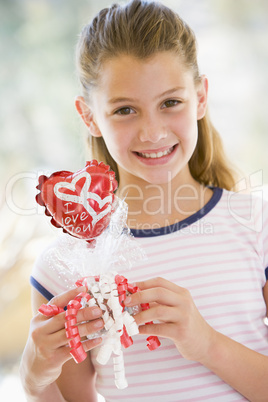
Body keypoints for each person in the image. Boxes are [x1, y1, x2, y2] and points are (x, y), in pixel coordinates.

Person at [20, 0, 268, 400]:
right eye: (124, 110)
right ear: (89, 117)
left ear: (201, 96)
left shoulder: (257, 225)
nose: (152, 132)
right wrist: (34, 377)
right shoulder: (64, 266)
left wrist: (207, 344)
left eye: (171, 102)